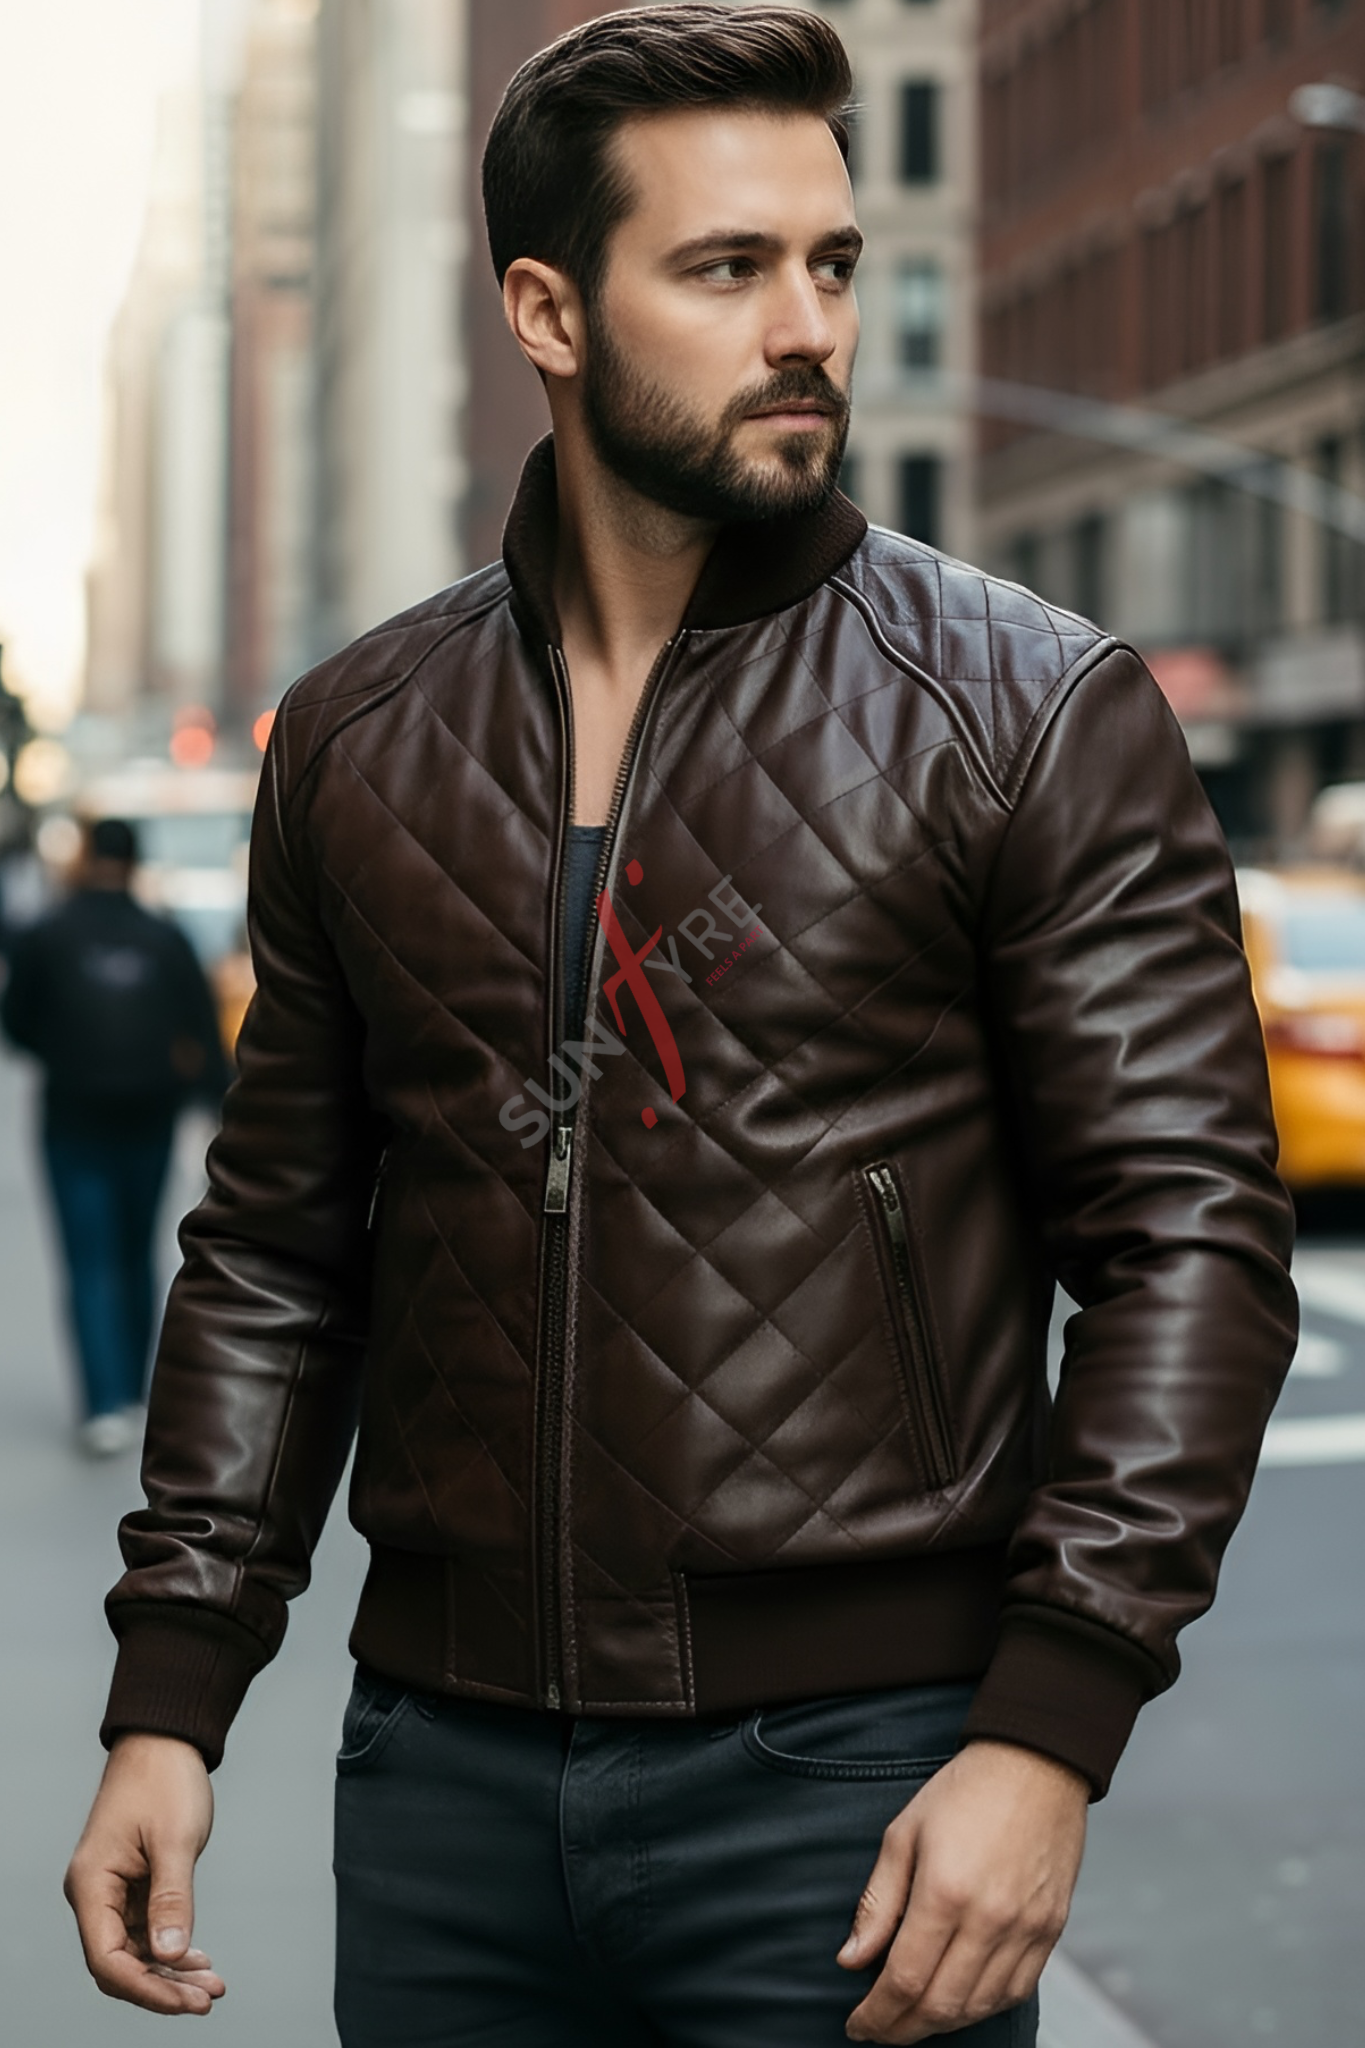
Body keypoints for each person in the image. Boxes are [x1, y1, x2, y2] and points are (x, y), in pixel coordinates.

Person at [64, 8, 1297, 2043]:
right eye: (725, 270)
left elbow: (1187, 1248)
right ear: (546, 310)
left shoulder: (1025, 710)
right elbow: (279, 1250)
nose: (805, 323)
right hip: (438, 1777)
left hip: (850, 1784)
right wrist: (169, 1695)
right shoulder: (359, 742)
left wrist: (1046, 1729)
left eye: (829, 261)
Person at [2, 817, 228, 1456]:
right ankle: (135, 1391)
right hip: (148, 1116)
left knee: (88, 1257)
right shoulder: (164, 937)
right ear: (134, 863)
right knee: (137, 1252)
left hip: (71, 1117)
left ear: (85, 860)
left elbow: (17, 1023)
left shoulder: (50, 934)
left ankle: (103, 1404)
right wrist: (215, 1103)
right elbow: (203, 1031)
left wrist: (64, 1056)